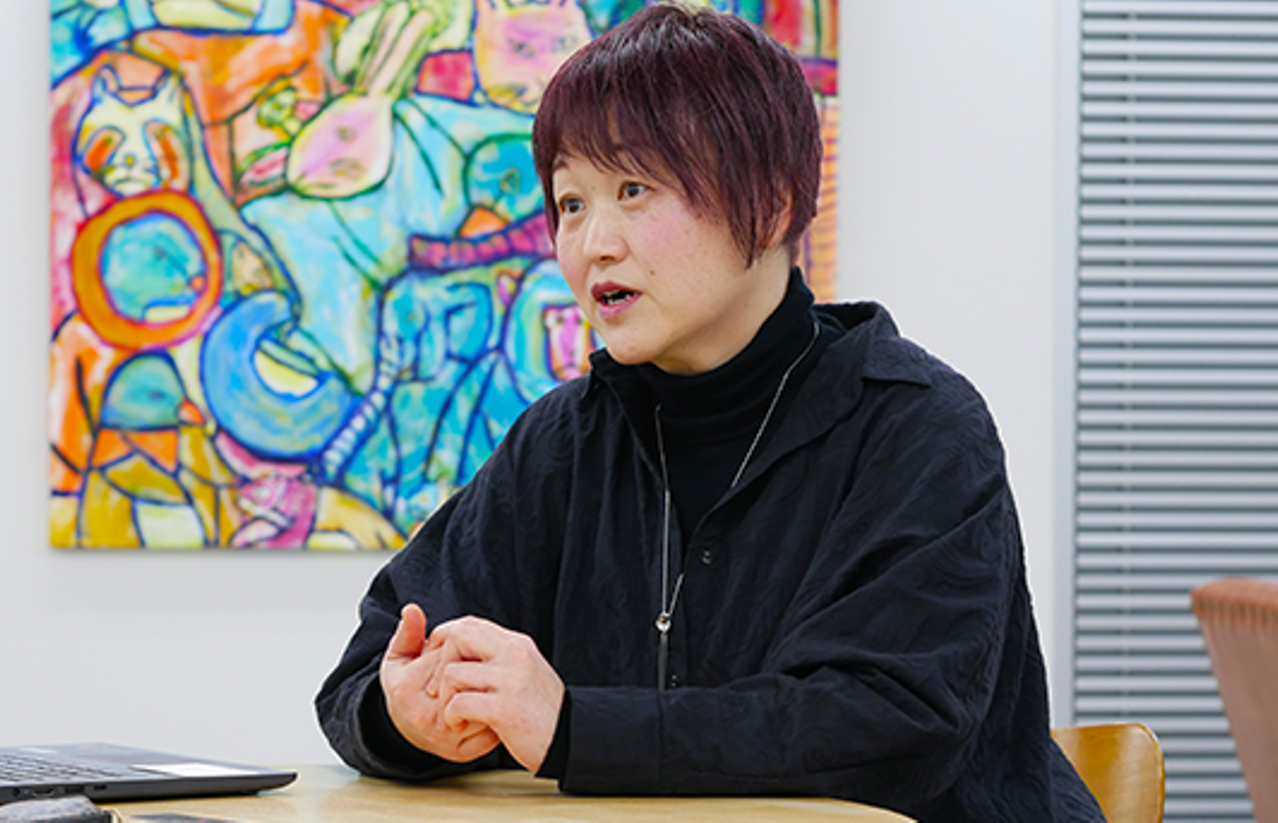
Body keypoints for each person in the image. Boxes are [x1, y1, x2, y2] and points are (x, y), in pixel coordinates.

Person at [317, 5, 1103, 819]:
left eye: (633, 190)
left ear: (771, 203)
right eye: (571, 202)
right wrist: (406, 714)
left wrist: (573, 726)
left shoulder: (919, 428)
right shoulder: (564, 440)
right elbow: (372, 663)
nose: (593, 244)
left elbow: (883, 726)